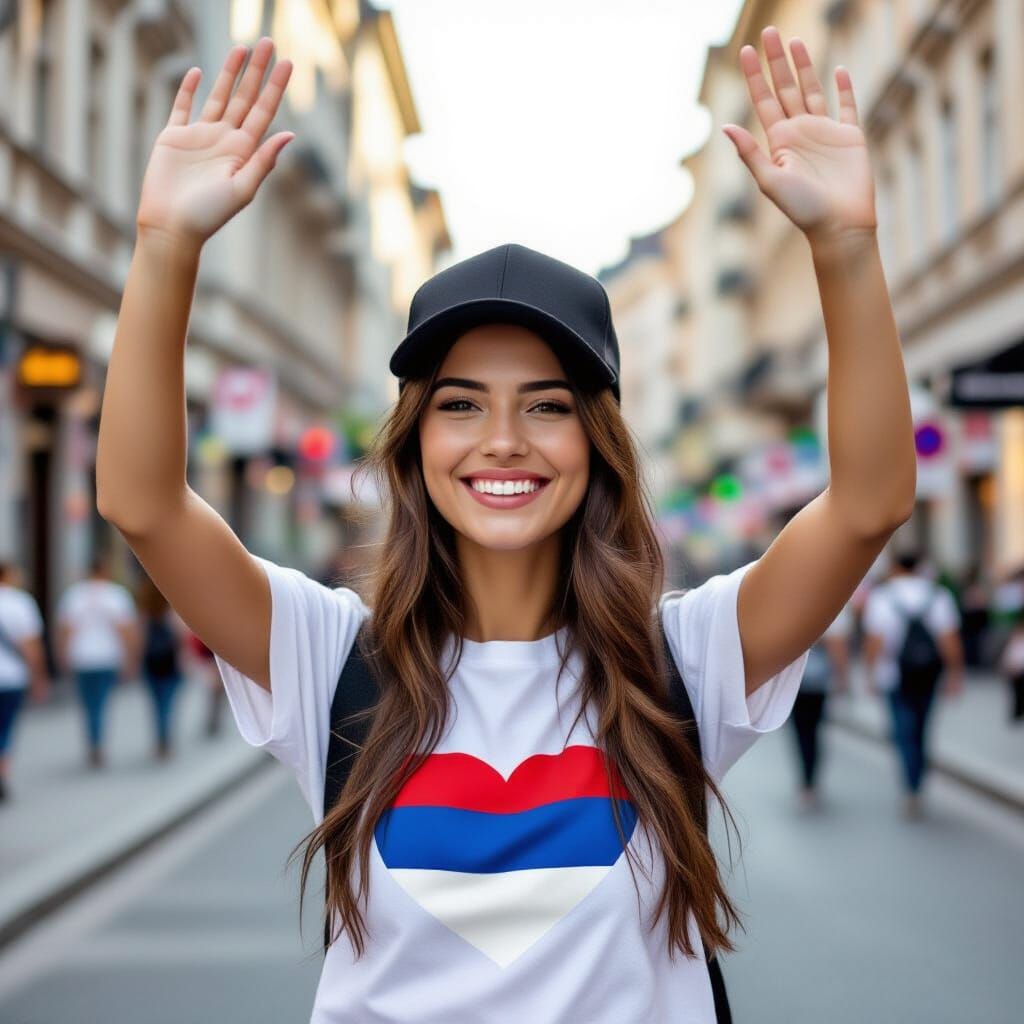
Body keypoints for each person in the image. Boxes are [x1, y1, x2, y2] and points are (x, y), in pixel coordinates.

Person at [95, 29, 917, 1024]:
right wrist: (165, 245)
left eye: (546, 405)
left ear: (595, 443)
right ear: (414, 442)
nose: (502, 440)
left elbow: (868, 503)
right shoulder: (326, 656)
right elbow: (142, 503)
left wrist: (844, 247)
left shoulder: (690, 658)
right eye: (460, 405)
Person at [862, 550, 964, 819]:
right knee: (922, 729)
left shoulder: (882, 597)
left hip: (893, 676)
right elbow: (949, 640)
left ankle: (911, 786)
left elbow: (874, 641)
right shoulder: (939, 596)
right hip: (928, 675)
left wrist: (870, 674)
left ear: (895, 567)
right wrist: (955, 674)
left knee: (903, 732)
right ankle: (917, 781)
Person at [55, 555, 140, 769]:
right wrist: (130, 658)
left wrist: (63, 654)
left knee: (88, 703)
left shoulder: (75, 595)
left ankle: (93, 741)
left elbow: (66, 630)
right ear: (106, 571)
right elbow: (126, 631)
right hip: (107, 657)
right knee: (102, 702)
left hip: (82, 657)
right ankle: (97, 743)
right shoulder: (116, 595)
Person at [789, 601, 852, 812]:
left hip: (797, 682)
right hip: (817, 682)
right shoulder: (834, 605)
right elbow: (838, 646)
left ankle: (807, 781)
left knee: (802, 733)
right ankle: (810, 781)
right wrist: (843, 678)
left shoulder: (794, 605)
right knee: (813, 732)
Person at [0, 561, 51, 802]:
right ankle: (2, 772)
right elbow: (31, 646)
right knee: (6, 728)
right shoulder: (20, 603)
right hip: (11, 677)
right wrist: (39, 677)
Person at [135, 574, 189, 760]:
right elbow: (182, 637)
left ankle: (160, 739)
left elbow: (140, 638)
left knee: (156, 704)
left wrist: (136, 661)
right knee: (168, 702)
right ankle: (165, 740)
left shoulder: (145, 612)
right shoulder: (171, 610)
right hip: (170, 664)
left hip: (151, 663)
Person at [997, 609, 1024, 723]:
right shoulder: (1014, 639)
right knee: (1016, 695)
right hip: (1014, 672)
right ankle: (1016, 714)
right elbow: (1008, 655)